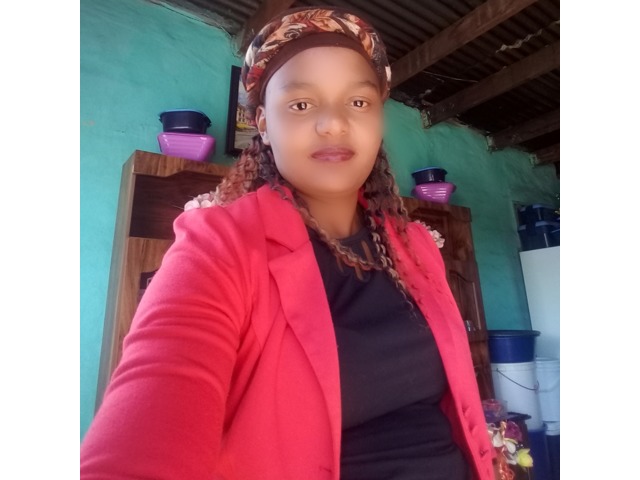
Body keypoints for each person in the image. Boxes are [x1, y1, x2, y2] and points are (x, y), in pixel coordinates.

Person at [81, 7, 495, 480]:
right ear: (262, 122)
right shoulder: (219, 246)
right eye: (301, 104)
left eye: (358, 101)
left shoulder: (416, 247)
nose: (334, 123)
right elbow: (148, 426)